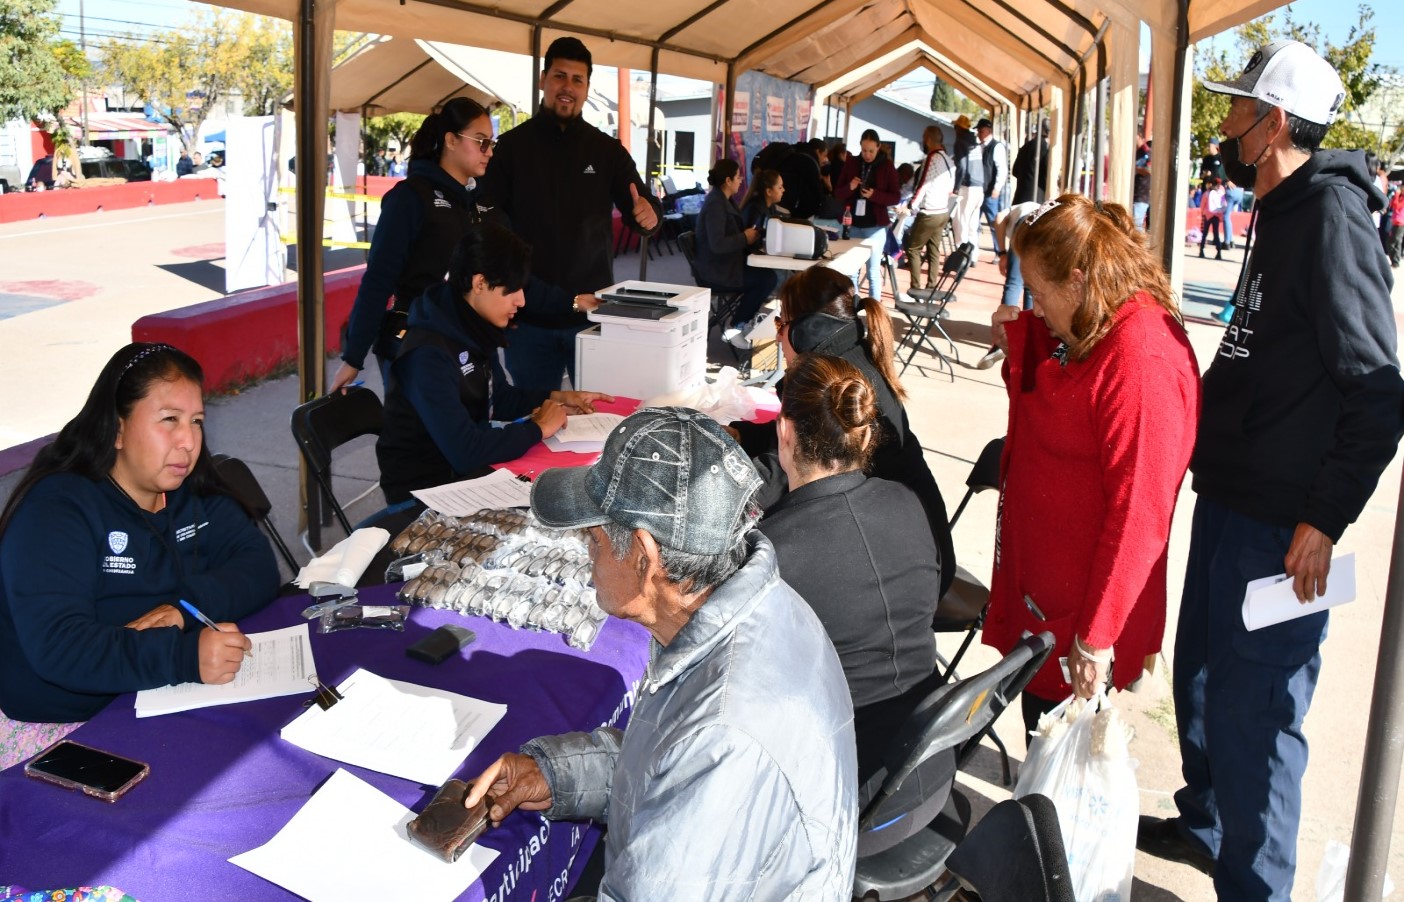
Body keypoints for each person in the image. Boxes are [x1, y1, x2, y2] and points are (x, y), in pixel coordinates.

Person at [1138, 41, 1404, 901]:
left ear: (1275, 123)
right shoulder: (1278, 207)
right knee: (1204, 686)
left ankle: (1256, 888)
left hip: (1284, 529)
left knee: (1262, 718)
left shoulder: (1330, 219)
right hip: (1233, 503)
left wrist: (1323, 518)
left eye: (1238, 110)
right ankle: (1208, 824)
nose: (1225, 125)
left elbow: (1378, 393)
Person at [464, 406, 857, 898]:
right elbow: (665, 766)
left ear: (645, 557)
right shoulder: (760, 605)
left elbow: (694, 763)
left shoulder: (723, 733)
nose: (588, 549)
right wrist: (558, 773)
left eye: (594, 537)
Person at [0, 343, 280, 767]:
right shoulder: (58, 509)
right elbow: (61, 648)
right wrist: (184, 656)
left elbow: (258, 564)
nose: (189, 441)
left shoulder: (189, 490)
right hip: (63, 724)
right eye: (169, 420)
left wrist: (186, 609)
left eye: (197, 422)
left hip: (154, 694)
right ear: (116, 429)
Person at [982, 195, 1200, 739]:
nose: (1034, 307)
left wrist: (1097, 636)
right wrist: (1022, 341)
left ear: (1077, 281)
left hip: (1078, 616)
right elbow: (1053, 408)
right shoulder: (1096, 323)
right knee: (1042, 745)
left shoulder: (1142, 358)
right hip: (1049, 598)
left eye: (1038, 292)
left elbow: (1140, 515)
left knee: (1063, 768)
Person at [759, 353, 940, 781]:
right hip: (927, 765)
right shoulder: (908, 504)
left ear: (784, 432)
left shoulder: (772, 554)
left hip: (841, 789)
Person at [729, 266, 957, 600]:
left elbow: (785, 471)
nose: (777, 336)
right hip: (914, 549)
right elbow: (796, 441)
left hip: (900, 573)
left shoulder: (832, 384)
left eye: (782, 323)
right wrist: (741, 435)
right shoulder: (849, 360)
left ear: (807, 330)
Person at [376, 224, 612, 505]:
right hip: (426, 492)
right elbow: (466, 451)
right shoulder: (428, 354)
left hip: (466, 472)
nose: (521, 301)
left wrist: (555, 398)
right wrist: (537, 428)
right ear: (479, 284)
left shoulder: (469, 324)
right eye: (511, 290)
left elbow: (497, 399)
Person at [477, 37, 660, 393]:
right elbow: (489, 231)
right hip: (527, 319)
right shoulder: (512, 149)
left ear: (588, 88)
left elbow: (642, 205)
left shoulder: (606, 150)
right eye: (560, 76)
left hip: (592, 317)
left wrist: (651, 215)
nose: (568, 87)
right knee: (533, 422)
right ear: (543, 79)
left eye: (578, 79)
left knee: (598, 422)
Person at [331, 98, 498, 393]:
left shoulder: (480, 202)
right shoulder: (410, 198)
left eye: (491, 143)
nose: (489, 151)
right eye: (481, 142)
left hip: (468, 339)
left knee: (467, 432)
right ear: (451, 140)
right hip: (415, 342)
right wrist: (353, 357)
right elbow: (379, 279)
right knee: (424, 435)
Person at [692, 159, 780, 345]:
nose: (741, 180)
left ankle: (740, 322)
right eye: (738, 177)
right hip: (717, 271)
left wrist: (748, 237)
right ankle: (736, 326)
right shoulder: (716, 205)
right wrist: (744, 238)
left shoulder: (722, 200)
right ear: (728, 180)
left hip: (723, 265)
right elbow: (718, 244)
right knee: (767, 279)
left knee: (766, 276)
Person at [974, 199, 1043, 369]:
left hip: (1023, 226)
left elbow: (998, 218)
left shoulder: (1012, 210)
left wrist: (1002, 252)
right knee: (1030, 288)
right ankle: (1029, 338)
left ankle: (1004, 337)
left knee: (1013, 283)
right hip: (1040, 231)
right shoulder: (1034, 207)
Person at [833, 128, 900, 297]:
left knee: (873, 273)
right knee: (851, 271)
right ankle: (853, 310)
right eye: (864, 150)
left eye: (871, 151)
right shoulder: (852, 163)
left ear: (878, 147)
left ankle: (873, 316)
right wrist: (851, 187)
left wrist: (874, 195)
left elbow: (895, 197)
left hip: (875, 227)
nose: (867, 155)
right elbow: (838, 193)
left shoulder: (886, 166)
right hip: (853, 224)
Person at [903, 124, 956, 290]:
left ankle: (915, 287)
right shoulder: (948, 158)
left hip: (929, 211)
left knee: (913, 249)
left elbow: (922, 184)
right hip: (943, 210)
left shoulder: (932, 158)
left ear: (927, 139)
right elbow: (951, 185)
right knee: (934, 250)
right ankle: (932, 286)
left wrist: (911, 205)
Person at [950, 114, 985, 262]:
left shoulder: (960, 142)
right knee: (972, 224)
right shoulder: (974, 141)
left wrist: (956, 188)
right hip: (979, 188)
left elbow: (962, 166)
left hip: (968, 188)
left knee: (960, 223)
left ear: (958, 128)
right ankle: (973, 256)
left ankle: (961, 257)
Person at [974, 118, 1009, 242]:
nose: (979, 134)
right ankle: (972, 253)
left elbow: (1002, 169)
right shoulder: (978, 147)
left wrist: (997, 188)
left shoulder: (997, 146)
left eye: (981, 131)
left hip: (989, 192)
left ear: (989, 131)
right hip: (978, 191)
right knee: (974, 224)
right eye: (978, 131)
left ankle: (999, 251)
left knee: (994, 224)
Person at [778, 137, 828, 220]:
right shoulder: (810, 163)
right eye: (824, 155)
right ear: (818, 151)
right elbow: (815, 195)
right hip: (791, 209)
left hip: (777, 204)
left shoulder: (793, 153)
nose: (825, 159)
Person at [738, 167, 785, 237]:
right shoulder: (754, 209)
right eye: (780, 187)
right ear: (769, 192)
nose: (783, 190)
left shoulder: (771, 207)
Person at [1011, 119, 1049, 205]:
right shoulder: (1046, 149)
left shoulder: (1025, 146)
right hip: (1036, 200)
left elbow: (1015, 171)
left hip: (1020, 198)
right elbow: (1047, 176)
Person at [1199, 176, 1227, 259]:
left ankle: (1201, 251)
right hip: (1216, 216)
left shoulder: (1207, 194)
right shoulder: (1221, 194)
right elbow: (1224, 205)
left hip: (1207, 215)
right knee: (1216, 234)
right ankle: (1218, 252)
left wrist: (1203, 213)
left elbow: (1202, 205)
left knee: (1204, 233)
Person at [1133, 139, 1152, 229]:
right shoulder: (1140, 152)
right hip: (1139, 195)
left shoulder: (1146, 153)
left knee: (1137, 225)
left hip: (1141, 195)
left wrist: (1134, 168)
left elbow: (1149, 170)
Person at [1389, 185, 1404, 267]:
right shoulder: (1399, 197)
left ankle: (1395, 261)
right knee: (1393, 242)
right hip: (1395, 222)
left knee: (1395, 242)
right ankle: (1394, 260)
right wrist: (1396, 195)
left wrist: (1397, 194)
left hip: (1400, 223)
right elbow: (1392, 204)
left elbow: (1397, 205)